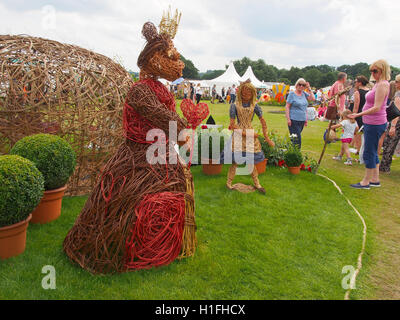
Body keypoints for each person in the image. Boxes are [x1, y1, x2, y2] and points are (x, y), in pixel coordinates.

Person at [226, 80, 275, 194]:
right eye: (243, 93)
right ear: (240, 93)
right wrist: (248, 134)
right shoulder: (234, 106)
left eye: (248, 93)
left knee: (250, 160)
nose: (246, 95)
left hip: (249, 133)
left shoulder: (255, 106)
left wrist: (267, 138)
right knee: (236, 161)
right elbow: (232, 125)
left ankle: (257, 183)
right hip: (240, 134)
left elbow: (263, 122)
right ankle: (229, 182)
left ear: (252, 93)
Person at [349, 59, 390, 189]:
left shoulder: (383, 84)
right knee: (372, 151)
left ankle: (365, 181)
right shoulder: (378, 84)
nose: (372, 73)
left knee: (369, 152)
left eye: (375, 71)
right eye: (371, 71)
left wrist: (358, 114)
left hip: (375, 123)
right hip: (371, 122)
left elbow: (377, 107)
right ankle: (375, 179)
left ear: (382, 70)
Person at [285, 78, 315, 149]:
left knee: (294, 138)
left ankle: (290, 152)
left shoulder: (304, 94)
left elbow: (312, 99)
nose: (301, 86)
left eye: (303, 85)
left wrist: (309, 88)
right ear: (296, 85)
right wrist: (288, 119)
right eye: (300, 84)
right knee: (297, 139)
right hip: (293, 120)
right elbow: (287, 106)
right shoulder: (292, 94)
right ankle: (296, 154)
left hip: (302, 120)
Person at [380, 74, 400, 173]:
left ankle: (384, 167)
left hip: (396, 123)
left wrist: (393, 126)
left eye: (397, 82)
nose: (395, 84)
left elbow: (396, 112)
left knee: (389, 145)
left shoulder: (398, 94)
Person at [351, 75, 370, 153]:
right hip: (368, 114)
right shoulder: (370, 91)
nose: (355, 83)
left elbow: (356, 106)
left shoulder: (357, 93)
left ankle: (359, 150)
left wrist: (353, 117)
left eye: (356, 81)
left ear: (360, 83)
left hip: (359, 114)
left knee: (358, 134)